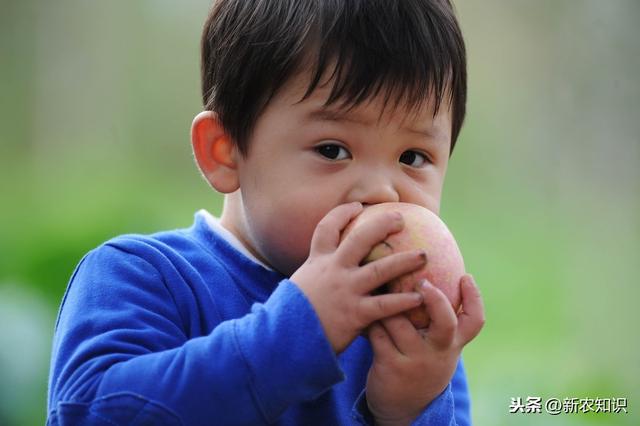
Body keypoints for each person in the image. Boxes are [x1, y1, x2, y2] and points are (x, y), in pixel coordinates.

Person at [47, 1, 485, 425]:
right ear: (226, 151)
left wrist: (410, 411)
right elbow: (90, 413)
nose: (382, 191)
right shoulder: (142, 278)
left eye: (412, 157)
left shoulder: (414, 340)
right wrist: (298, 329)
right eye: (333, 149)